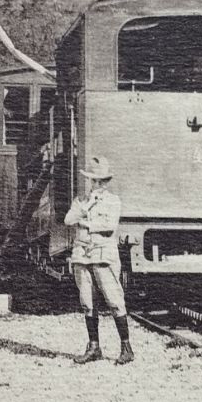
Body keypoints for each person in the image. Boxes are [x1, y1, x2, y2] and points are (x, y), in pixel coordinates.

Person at [65, 155, 132, 365]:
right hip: (82, 255)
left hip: (103, 254)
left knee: (114, 300)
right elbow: (68, 219)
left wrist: (85, 223)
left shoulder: (113, 201)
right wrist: (85, 212)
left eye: (101, 181)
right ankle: (94, 346)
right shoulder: (81, 200)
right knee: (87, 302)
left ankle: (126, 347)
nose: (97, 185)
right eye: (94, 180)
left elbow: (109, 226)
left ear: (106, 182)